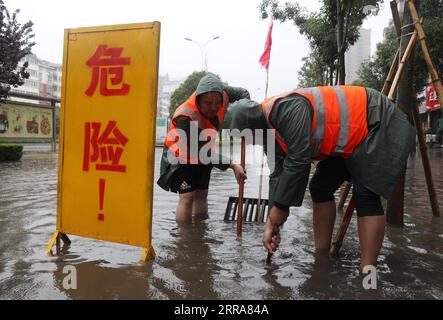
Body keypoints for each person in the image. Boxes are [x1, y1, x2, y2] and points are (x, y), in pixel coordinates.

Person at [222, 86, 416, 269]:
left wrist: (280, 209)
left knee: (365, 194)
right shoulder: (271, 134)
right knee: (320, 187)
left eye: (245, 138)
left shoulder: (286, 109)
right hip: (348, 142)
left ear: (254, 128)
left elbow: (299, 160)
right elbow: (277, 176)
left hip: (376, 123)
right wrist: (271, 223)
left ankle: (368, 274)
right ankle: (321, 257)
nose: (248, 143)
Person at [157, 74, 248, 222]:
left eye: (217, 103)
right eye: (208, 103)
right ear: (199, 99)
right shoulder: (185, 116)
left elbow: (243, 93)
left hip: (205, 151)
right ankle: (185, 239)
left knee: (202, 194)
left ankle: (200, 232)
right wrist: (232, 165)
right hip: (181, 155)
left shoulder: (223, 93)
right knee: (187, 197)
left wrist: (246, 109)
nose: (214, 107)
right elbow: (200, 153)